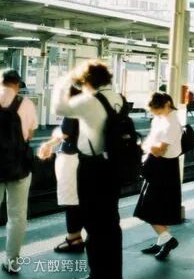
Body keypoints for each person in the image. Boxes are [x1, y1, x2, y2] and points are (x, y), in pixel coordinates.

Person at [53, 60, 125, 279]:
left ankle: (98, 274)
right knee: (111, 223)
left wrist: (63, 81)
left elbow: (58, 108)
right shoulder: (117, 98)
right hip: (114, 165)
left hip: (93, 167)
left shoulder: (89, 101)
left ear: (87, 81)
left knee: (93, 224)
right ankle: (113, 273)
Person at [38, 86, 85, 254]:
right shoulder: (88, 107)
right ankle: (76, 236)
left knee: (71, 199)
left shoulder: (72, 108)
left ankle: (74, 238)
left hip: (71, 157)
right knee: (78, 199)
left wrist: (49, 143)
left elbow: (65, 133)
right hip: (83, 157)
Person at [135, 92, 182, 261]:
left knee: (149, 209)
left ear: (167, 104)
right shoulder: (162, 119)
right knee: (158, 209)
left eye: (158, 110)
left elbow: (160, 150)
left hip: (164, 168)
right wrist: (149, 146)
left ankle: (168, 240)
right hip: (159, 166)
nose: (156, 113)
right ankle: (162, 241)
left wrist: (144, 146)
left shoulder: (171, 123)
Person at [0, 69, 37, 274]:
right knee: (17, 216)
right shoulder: (27, 104)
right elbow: (30, 134)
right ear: (17, 84)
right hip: (19, 167)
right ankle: (12, 261)